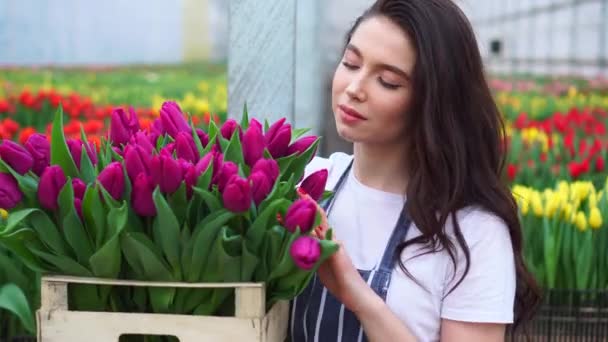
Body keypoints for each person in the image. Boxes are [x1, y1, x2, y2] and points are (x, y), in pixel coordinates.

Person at [288, 0, 541, 341]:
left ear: (433, 101)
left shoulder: (471, 231)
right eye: (351, 63)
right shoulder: (307, 185)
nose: (354, 88)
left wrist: (358, 297)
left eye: (388, 81)